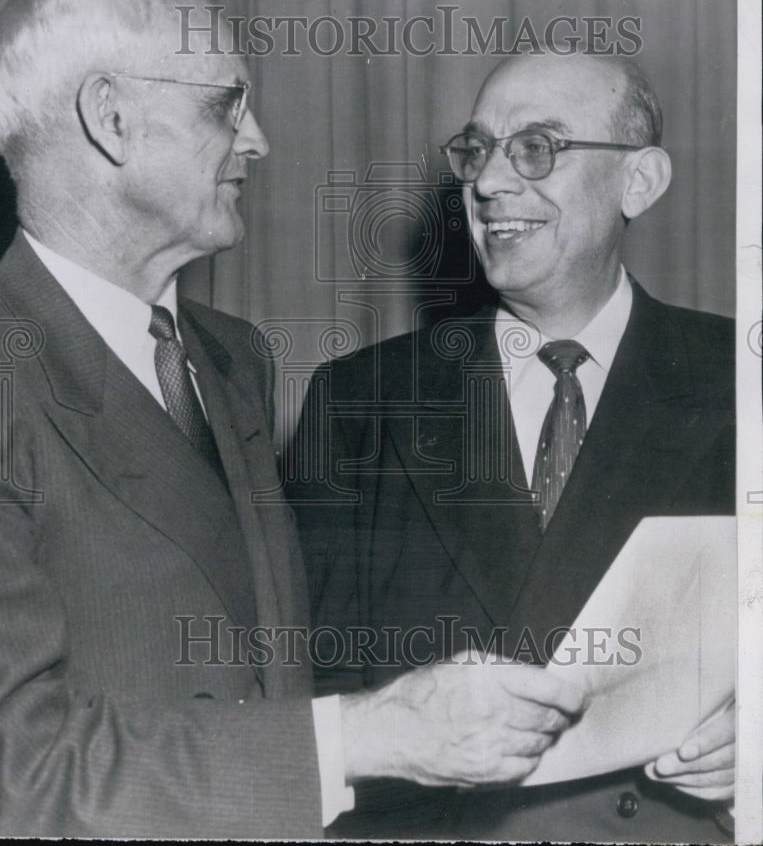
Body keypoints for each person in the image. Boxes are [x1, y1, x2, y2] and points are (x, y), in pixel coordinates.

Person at [0, 0, 586, 838]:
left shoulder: (230, 360)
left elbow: (278, 669)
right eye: (224, 106)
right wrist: (364, 737)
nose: (258, 139)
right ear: (111, 119)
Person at [290, 52, 736, 842]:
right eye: (476, 150)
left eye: (535, 148)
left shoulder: (740, 380)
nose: (488, 182)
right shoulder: (361, 399)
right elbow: (301, 680)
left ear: (638, 181)